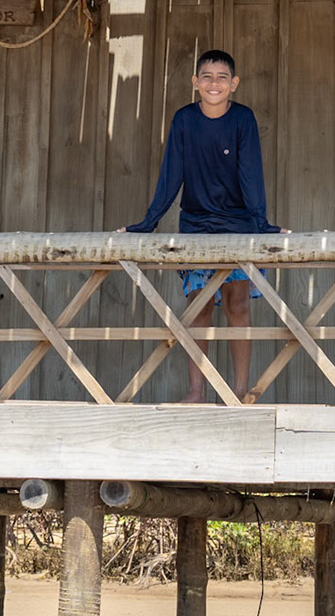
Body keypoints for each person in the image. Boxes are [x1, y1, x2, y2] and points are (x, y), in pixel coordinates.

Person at [119, 49, 287, 402]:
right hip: (196, 224)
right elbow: (172, 175)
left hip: (239, 224)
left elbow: (250, 174)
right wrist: (146, 224)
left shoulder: (243, 119)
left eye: (222, 77)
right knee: (200, 307)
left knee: (238, 305)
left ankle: (240, 393)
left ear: (234, 84)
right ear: (195, 82)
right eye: (207, 77)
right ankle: (196, 391)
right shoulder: (184, 120)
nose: (214, 83)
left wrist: (262, 225)